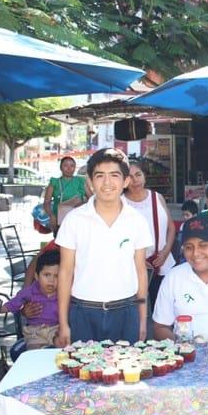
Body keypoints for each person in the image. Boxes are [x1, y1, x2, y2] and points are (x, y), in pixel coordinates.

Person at [55, 148, 153, 346]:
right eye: (100, 176)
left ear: (126, 181)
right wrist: (63, 322)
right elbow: (65, 273)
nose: (107, 183)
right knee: (83, 373)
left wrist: (142, 319)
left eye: (114, 176)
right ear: (90, 182)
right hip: (83, 312)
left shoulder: (137, 220)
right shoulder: (74, 220)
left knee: (126, 373)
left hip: (126, 312)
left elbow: (141, 272)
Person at [124, 161, 177, 308]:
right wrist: (137, 259)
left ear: (144, 176)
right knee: (135, 310)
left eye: (138, 175)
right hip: (132, 267)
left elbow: (171, 228)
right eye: (130, 177)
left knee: (163, 310)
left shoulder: (157, 197)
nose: (135, 180)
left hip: (162, 263)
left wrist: (165, 252)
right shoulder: (120, 203)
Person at [1, 250, 60, 349]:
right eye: (47, 275)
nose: (51, 280)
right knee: (35, 352)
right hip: (35, 332)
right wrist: (0, 308)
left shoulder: (64, 292)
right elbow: (13, 304)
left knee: (63, 351)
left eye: (56, 276)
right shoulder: (29, 291)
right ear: (37, 276)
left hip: (57, 329)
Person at [43, 156, 90, 234]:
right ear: (61, 168)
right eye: (66, 165)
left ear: (75, 167)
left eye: (72, 166)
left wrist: (82, 204)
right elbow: (46, 203)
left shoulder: (81, 181)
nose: (69, 168)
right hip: (59, 220)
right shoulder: (54, 182)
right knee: (61, 244)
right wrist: (52, 216)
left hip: (78, 219)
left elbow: (91, 199)